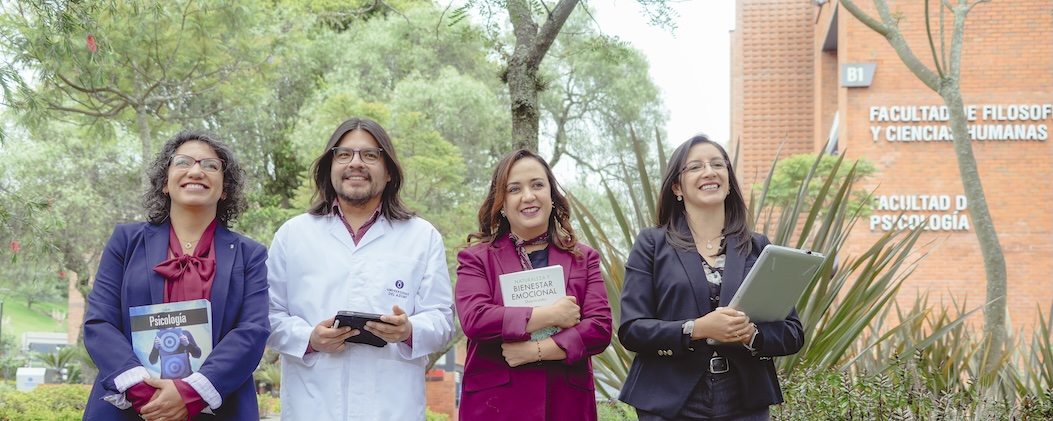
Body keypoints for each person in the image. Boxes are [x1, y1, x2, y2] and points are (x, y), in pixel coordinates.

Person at [266, 117, 455, 420]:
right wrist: (309, 339)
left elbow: (443, 321)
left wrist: (409, 331)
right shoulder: (293, 235)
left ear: (389, 170)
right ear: (330, 167)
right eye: (344, 155)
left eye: (370, 155)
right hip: (312, 405)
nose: (356, 163)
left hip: (393, 407)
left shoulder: (422, 236)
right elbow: (268, 315)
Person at [83, 131, 271, 421]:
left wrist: (189, 394)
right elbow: (99, 323)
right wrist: (146, 395)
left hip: (219, 406)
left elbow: (252, 332)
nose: (196, 170)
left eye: (210, 165)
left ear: (224, 189)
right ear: (165, 184)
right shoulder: (125, 241)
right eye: (183, 162)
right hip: (133, 407)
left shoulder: (251, 254)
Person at [617, 134, 805, 420]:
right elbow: (632, 329)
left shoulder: (758, 247)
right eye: (695, 167)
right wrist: (697, 328)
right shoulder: (651, 244)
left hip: (743, 400)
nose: (709, 171)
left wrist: (751, 334)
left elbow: (792, 333)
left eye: (718, 164)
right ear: (677, 186)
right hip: (669, 401)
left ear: (728, 181)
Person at [455, 149, 613, 420]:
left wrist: (537, 351)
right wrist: (550, 315)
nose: (528, 196)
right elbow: (476, 319)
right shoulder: (476, 258)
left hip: (566, 405)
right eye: (514, 189)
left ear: (552, 196)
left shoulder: (583, 258)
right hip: (496, 407)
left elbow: (599, 328)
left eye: (537, 185)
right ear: (502, 204)